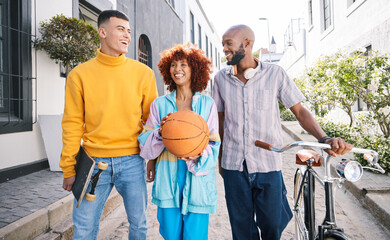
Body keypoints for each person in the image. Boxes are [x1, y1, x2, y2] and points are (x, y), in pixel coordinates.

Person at [212, 24, 353, 240]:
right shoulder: (220, 79)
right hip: (234, 165)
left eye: (228, 44)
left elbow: (300, 112)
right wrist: (221, 157)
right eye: (223, 45)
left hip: (268, 164)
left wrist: (323, 138)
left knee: (272, 225)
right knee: (241, 229)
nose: (224, 49)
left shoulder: (275, 74)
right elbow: (220, 120)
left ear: (247, 43)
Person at [59, 10, 158, 239]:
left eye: (129, 31)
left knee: (139, 224)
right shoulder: (79, 75)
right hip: (93, 163)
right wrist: (68, 167)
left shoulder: (143, 74)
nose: (127, 36)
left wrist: (152, 159)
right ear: (102, 32)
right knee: (83, 229)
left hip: (133, 162)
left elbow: (151, 123)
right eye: (120, 29)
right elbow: (72, 124)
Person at [138, 43, 220, 240]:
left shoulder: (207, 104)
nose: (177, 69)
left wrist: (198, 153)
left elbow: (214, 144)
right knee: (170, 234)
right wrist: (161, 132)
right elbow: (145, 145)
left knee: (195, 236)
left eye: (183, 64)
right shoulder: (159, 104)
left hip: (198, 179)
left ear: (195, 69)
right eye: (173, 65)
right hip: (168, 177)